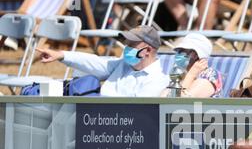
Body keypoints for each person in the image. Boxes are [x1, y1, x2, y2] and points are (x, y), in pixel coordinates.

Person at [36, 26, 170, 97]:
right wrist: (60, 55)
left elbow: (138, 113)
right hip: (97, 118)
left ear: (147, 50)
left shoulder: (158, 79)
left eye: (132, 44)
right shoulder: (123, 64)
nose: (127, 48)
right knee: (83, 84)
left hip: (120, 130)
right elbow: (93, 62)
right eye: (127, 43)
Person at [161, 33, 223, 98]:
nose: (178, 54)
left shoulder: (210, 75)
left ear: (195, 55)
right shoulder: (181, 74)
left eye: (182, 51)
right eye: (178, 51)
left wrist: (191, 75)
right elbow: (163, 97)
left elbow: (180, 102)